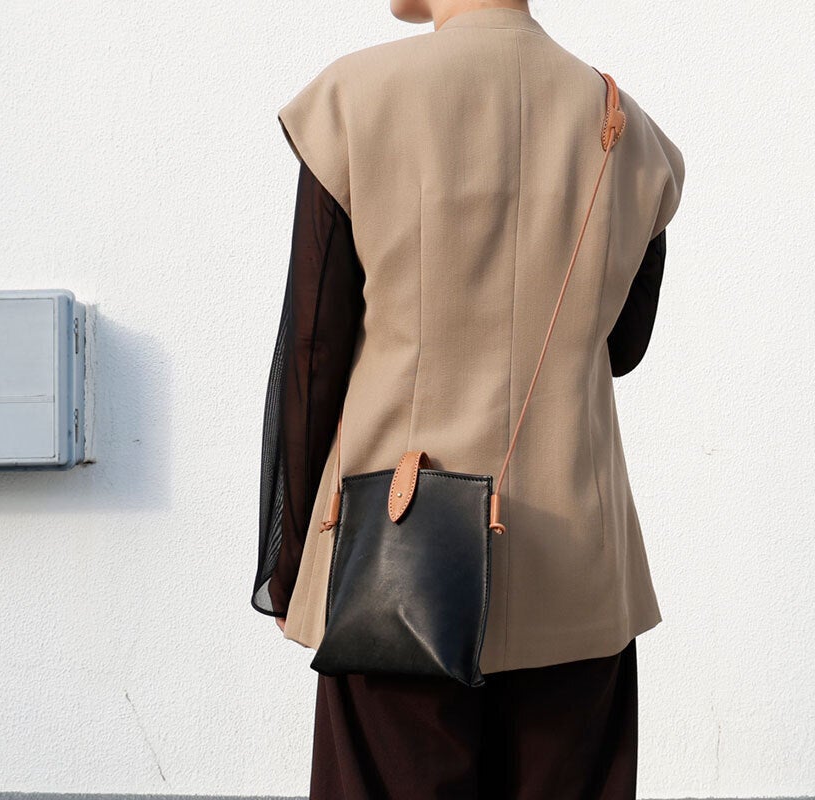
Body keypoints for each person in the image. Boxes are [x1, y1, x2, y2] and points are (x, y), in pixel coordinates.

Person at [251, 1, 685, 797]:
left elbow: (314, 348)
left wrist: (288, 567)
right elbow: (623, 349)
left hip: (396, 567)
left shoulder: (355, 99)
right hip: (578, 576)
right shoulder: (631, 132)